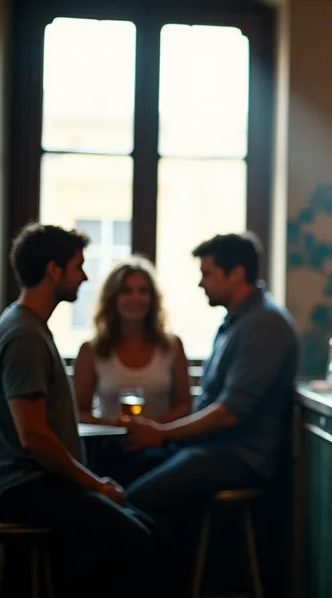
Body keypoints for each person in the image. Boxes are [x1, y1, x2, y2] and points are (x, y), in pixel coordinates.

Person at [114, 231, 299, 587]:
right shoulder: (237, 321)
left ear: (237, 273)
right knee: (124, 471)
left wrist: (162, 433)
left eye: (208, 273)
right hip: (215, 449)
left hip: (240, 456)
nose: (201, 283)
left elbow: (229, 412)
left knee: (136, 499)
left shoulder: (264, 325)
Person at [0, 222, 158, 595]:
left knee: (146, 529)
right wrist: (93, 484)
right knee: (139, 538)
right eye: (78, 266)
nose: (84, 277)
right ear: (54, 270)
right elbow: (33, 435)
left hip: (37, 483)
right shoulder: (24, 335)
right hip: (22, 487)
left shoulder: (29, 327)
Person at [73, 256, 191, 425]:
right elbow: (79, 412)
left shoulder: (172, 346)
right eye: (126, 291)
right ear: (113, 298)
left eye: (143, 291)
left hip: (161, 445)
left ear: (153, 299)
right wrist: (116, 424)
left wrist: (153, 429)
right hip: (110, 442)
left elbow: (184, 407)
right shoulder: (92, 350)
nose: (135, 298)